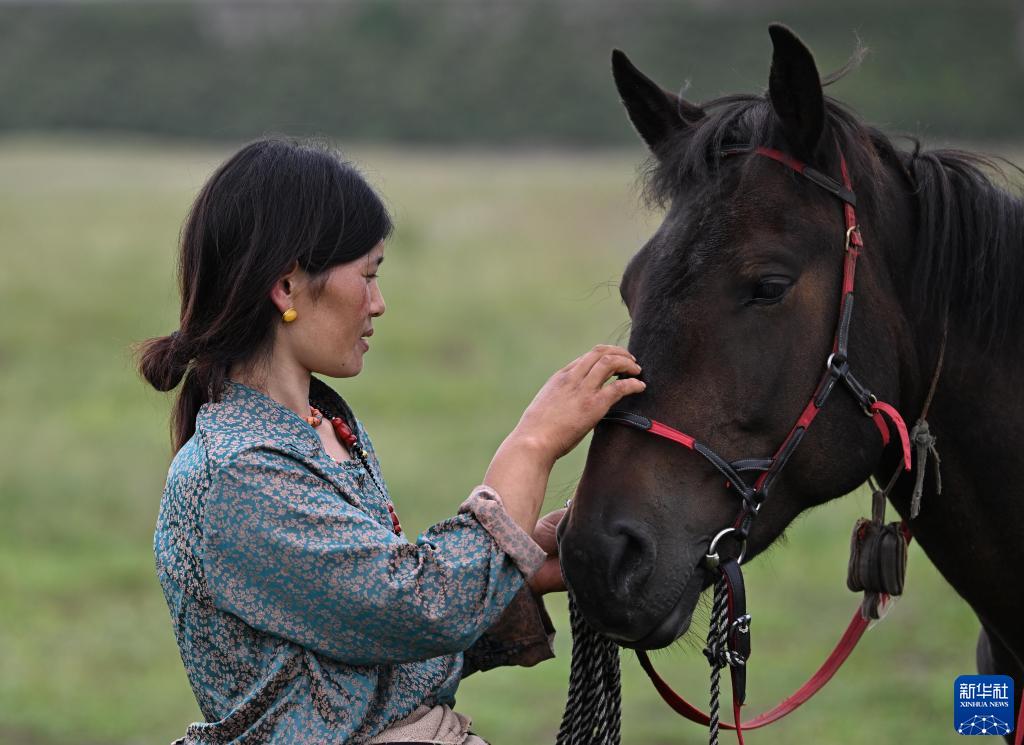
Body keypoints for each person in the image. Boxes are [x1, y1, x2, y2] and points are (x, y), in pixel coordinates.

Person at [136, 136, 645, 744]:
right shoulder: (239, 471)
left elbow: (365, 650)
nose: (378, 304)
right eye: (368, 275)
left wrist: (523, 565)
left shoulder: (324, 429)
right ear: (288, 287)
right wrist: (533, 443)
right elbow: (425, 606)